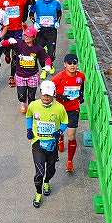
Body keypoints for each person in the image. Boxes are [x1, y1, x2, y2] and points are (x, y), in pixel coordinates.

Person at [26, 80, 68, 208]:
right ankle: (38, 193)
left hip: (52, 144)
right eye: (44, 94)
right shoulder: (33, 105)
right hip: (38, 142)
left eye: (49, 95)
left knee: (51, 169)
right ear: (40, 93)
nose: (46, 97)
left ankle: (47, 181)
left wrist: (59, 131)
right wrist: (29, 129)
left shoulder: (59, 108)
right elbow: (29, 116)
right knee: (39, 172)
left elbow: (65, 122)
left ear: (53, 94)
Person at [2, 26, 51, 114]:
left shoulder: (38, 48)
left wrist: (48, 65)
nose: (26, 37)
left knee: (31, 96)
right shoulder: (19, 43)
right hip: (20, 75)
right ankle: (23, 103)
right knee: (21, 96)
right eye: (25, 35)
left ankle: (31, 108)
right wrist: (8, 41)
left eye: (29, 36)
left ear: (33, 37)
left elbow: (47, 58)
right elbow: (3, 44)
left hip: (32, 75)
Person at [52, 54, 86, 172]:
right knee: (60, 130)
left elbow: (81, 87)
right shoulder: (58, 77)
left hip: (73, 109)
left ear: (77, 64)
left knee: (71, 135)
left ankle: (70, 161)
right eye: (69, 63)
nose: (72, 65)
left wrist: (81, 96)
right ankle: (60, 139)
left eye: (74, 63)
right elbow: (48, 90)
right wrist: (60, 96)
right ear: (65, 64)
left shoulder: (81, 76)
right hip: (60, 109)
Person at [0, 0, 35, 84]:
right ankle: (6, 54)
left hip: (18, 31)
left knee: (16, 54)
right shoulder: (2, 1)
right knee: (6, 49)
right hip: (6, 30)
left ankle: (11, 76)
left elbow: (33, 3)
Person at [30, 0, 61, 74]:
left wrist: (57, 22)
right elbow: (31, 14)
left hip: (51, 30)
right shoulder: (36, 2)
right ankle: (44, 68)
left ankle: (49, 63)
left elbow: (59, 13)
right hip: (40, 30)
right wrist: (35, 23)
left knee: (51, 54)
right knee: (39, 53)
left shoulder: (56, 2)